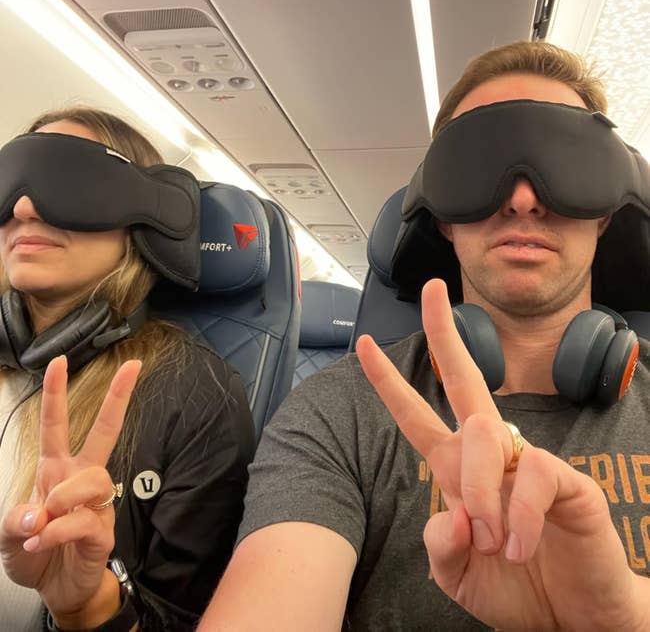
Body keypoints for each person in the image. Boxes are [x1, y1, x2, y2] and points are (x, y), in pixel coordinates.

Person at [199, 41, 650, 631]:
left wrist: (623, 617)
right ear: (442, 212)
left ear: (606, 211)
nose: (523, 199)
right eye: (479, 165)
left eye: (567, 163)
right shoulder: (344, 410)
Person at [0, 107, 256, 631]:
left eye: (70, 181)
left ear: (145, 221)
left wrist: (87, 607)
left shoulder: (195, 394)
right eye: (9, 183)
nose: (23, 207)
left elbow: (183, 616)